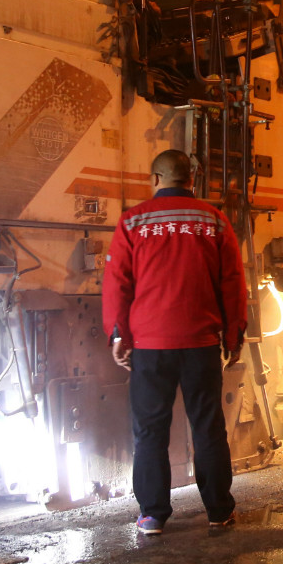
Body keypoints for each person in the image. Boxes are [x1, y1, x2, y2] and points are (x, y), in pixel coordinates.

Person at [102, 149, 246, 536]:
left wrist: (119, 334)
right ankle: (219, 511)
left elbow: (118, 283)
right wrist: (233, 335)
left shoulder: (133, 221)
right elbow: (232, 282)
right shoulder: (213, 221)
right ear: (192, 180)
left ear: (155, 180)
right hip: (200, 344)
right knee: (208, 427)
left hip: (149, 347)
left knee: (150, 430)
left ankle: (152, 515)